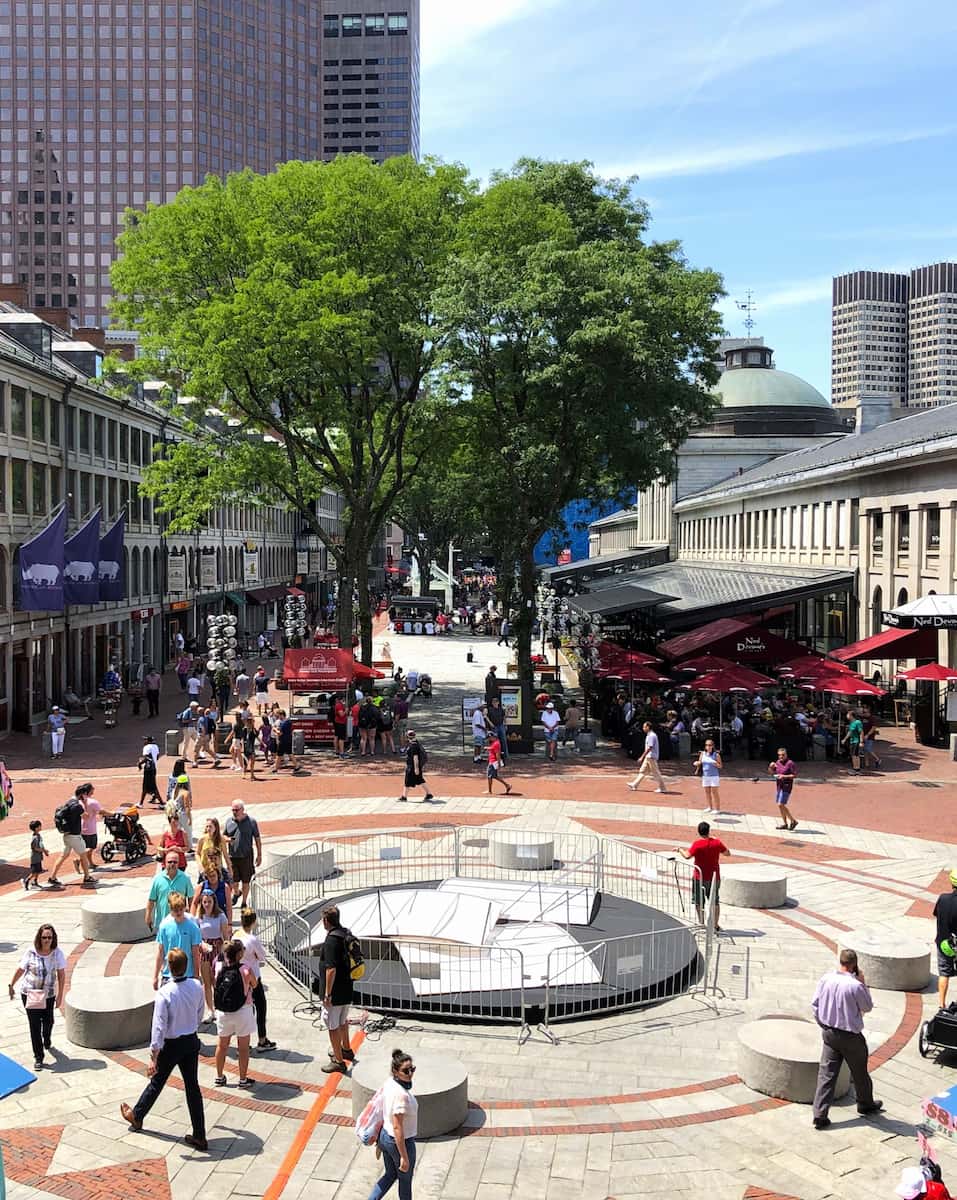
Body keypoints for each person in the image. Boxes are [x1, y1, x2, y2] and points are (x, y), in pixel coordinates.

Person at [120, 946, 208, 1151]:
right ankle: (200, 1134)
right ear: (185, 967)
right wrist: (191, 1026)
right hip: (190, 1040)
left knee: (157, 1081)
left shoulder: (165, 993)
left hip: (172, 1044)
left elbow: (158, 1026)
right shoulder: (197, 986)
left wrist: (154, 1055)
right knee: (192, 1087)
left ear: (169, 967)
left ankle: (138, 1115)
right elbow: (199, 1012)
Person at [810, 948, 883, 1129]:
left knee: (826, 1074)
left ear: (840, 962)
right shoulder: (855, 985)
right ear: (854, 965)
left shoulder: (826, 979)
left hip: (829, 1033)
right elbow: (867, 1006)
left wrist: (823, 1025)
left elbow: (815, 1005)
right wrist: (863, 983)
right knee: (859, 1072)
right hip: (850, 1036)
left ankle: (820, 1114)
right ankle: (865, 1104)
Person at [8, 924, 66, 1070]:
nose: (47, 940)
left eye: (49, 937)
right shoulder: (31, 951)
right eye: (44, 937)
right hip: (31, 993)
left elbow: (61, 975)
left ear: (54, 938)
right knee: (35, 1026)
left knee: (48, 1022)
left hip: (48, 994)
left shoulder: (57, 953)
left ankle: (47, 1039)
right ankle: (38, 1057)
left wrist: (60, 996)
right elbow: (21, 969)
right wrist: (11, 985)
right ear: (39, 938)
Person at [366, 1048, 419, 1200]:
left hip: (385, 1137)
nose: (410, 1074)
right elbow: (398, 1127)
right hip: (400, 1142)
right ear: (396, 1072)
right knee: (405, 1180)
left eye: (412, 1069)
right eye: (405, 1071)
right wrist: (404, 1156)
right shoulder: (401, 1095)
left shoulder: (390, 1083)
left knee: (390, 1174)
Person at [212, 938, 256, 1089]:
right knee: (243, 1048)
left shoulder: (218, 967)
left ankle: (219, 1077)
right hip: (243, 1011)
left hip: (223, 1012)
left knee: (222, 1045)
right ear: (238, 954)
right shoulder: (245, 969)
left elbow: (215, 983)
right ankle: (243, 1080)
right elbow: (254, 984)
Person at [319, 905, 355, 1074]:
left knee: (332, 1025)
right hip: (347, 986)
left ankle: (338, 1061)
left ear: (326, 920)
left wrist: (327, 993)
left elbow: (330, 969)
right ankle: (346, 1049)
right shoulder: (346, 933)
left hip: (335, 992)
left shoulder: (332, 940)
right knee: (342, 1020)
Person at [675, 820, 729, 929]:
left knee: (699, 901)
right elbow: (727, 853)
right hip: (714, 877)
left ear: (699, 832)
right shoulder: (717, 843)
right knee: (715, 901)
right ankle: (715, 925)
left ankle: (701, 923)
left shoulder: (697, 844)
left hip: (699, 877)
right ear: (709, 831)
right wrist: (715, 841)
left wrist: (679, 850)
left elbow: (687, 856)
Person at [236, 908, 276, 1052]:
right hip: (253, 977)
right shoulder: (252, 939)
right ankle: (262, 1039)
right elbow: (262, 956)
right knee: (260, 1007)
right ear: (253, 922)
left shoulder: (236, 935)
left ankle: (242, 1042)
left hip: (240, 977)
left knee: (244, 1009)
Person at [48, 782, 97, 887]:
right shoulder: (77, 806)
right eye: (86, 795)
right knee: (83, 856)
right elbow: (86, 817)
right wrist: (86, 806)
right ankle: (87, 877)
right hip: (75, 836)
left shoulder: (69, 802)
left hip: (67, 835)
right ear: (82, 795)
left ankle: (52, 877)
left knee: (63, 856)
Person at [194, 888, 230, 1024]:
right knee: (206, 981)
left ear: (214, 902)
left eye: (209, 902)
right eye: (204, 902)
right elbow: (196, 935)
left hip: (217, 948)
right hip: (204, 949)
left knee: (217, 980)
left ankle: (220, 1007)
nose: (207, 904)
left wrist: (226, 954)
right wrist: (202, 944)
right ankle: (210, 1010)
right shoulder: (199, 917)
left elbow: (226, 937)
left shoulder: (221, 916)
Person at [153, 891, 202, 989]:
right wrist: (155, 976)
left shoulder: (193, 927)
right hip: (168, 975)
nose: (179, 912)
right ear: (170, 909)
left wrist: (196, 975)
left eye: (181, 909)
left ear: (185, 908)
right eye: (175, 910)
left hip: (188, 974)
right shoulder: (164, 926)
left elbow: (195, 953)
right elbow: (161, 951)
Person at [146, 850, 195, 933]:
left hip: (181, 921)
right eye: (170, 862)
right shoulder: (158, 879)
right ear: (165, 863)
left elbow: (191, 899)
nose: (172, 864)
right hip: (162, 922)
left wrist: (192, 916)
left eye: (175, 862)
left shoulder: (185, 878)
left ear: (178, 863)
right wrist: (148, 916)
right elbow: (151, 899)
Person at [225, 800, 261, 908]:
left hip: (246, 857)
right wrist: (228, 839)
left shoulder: (251, 822)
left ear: (242, 809)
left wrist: (259, 855)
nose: (234, 812)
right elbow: (223, 836)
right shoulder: (229, 822)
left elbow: (257, 838)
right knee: (234, 882)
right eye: (233, 810)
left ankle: (244, 902)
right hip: (233, 857)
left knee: (246, 881)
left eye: (237, 810)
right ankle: (236, 893)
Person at [933, 867, 957, 1009]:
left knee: (944, 973)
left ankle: (941, 1004)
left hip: (944, 944)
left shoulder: (942, 899)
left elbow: (936, 914)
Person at [626, 722, 668, 794]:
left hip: (651, 756)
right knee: (643, 771)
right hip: (648, 756)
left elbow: (650, 747)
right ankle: (635, 784)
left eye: (644, 727)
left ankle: (663, 788)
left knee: (656, 773)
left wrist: (642, 757)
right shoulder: (649, 735)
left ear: (648, 727)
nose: (643, 728)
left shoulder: (651, 736)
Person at [399, 730, 433, 803]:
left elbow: (415, 758)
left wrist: (416, 768)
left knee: (407, 781)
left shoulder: (413, 746)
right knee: (420, 779)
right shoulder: (416, 743)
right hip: (414, 766)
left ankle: (404, 796)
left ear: (408, 737)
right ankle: (429, 793)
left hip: (412, 766)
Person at [768, 747, 798, 831]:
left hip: (786, 786)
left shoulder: (790, 763)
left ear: (786, 755)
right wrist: (770, 767)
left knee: (780, 804)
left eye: (783, 755)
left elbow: (794, 775)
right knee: (780, 806)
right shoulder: (777, 762)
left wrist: (784, 776)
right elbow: (771, 773)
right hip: (779, 786)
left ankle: (793, 820)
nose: (781, 757)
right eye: (779, 755)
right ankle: (785, 823)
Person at [77, 781, 102, 870]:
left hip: (81, 828)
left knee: (85, 847)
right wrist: (112, 814)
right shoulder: (93, 802)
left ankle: (91, 863)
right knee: (91, 847)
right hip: (91, 829)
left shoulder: (78, 802)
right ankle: (78, 860)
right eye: (92, 789)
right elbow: (101, 811)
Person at [695, 738, 722, 814]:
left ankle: (717, 808)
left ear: (713, 746)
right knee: (707, 792)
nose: (708, 747)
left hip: (714, 776)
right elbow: (700, 762)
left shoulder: (716, 755)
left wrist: (716, 764)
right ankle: (709, 807)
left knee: (714, 792)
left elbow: (720, 766)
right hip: (705, 776)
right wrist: (697, 765)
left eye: (710, 745)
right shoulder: (702, 754)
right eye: (706, 745)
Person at [139, 736, 163, 806]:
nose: (144, 741)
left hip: (148, 769)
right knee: (151, 785)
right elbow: (157, 757)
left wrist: (140, 763)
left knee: (148, 786)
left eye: (145, 740)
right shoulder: (156, 746)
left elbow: (146, 758)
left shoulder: (146, 747)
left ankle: (161, 802)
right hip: (154, 768)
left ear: (148, 741)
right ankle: (153, 798)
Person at [26, 819, 48, 889]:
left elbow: (41, 844)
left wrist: (44, 850)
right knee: (34, 872)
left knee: (38, 870)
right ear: (36, 828)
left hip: (38, 857)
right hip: (35, 858)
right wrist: (43, 850)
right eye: (39, 826)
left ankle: (35, 882)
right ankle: (27, 880)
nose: (41, 827)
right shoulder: (35, 838)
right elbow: (34, 848)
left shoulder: (38, 835)